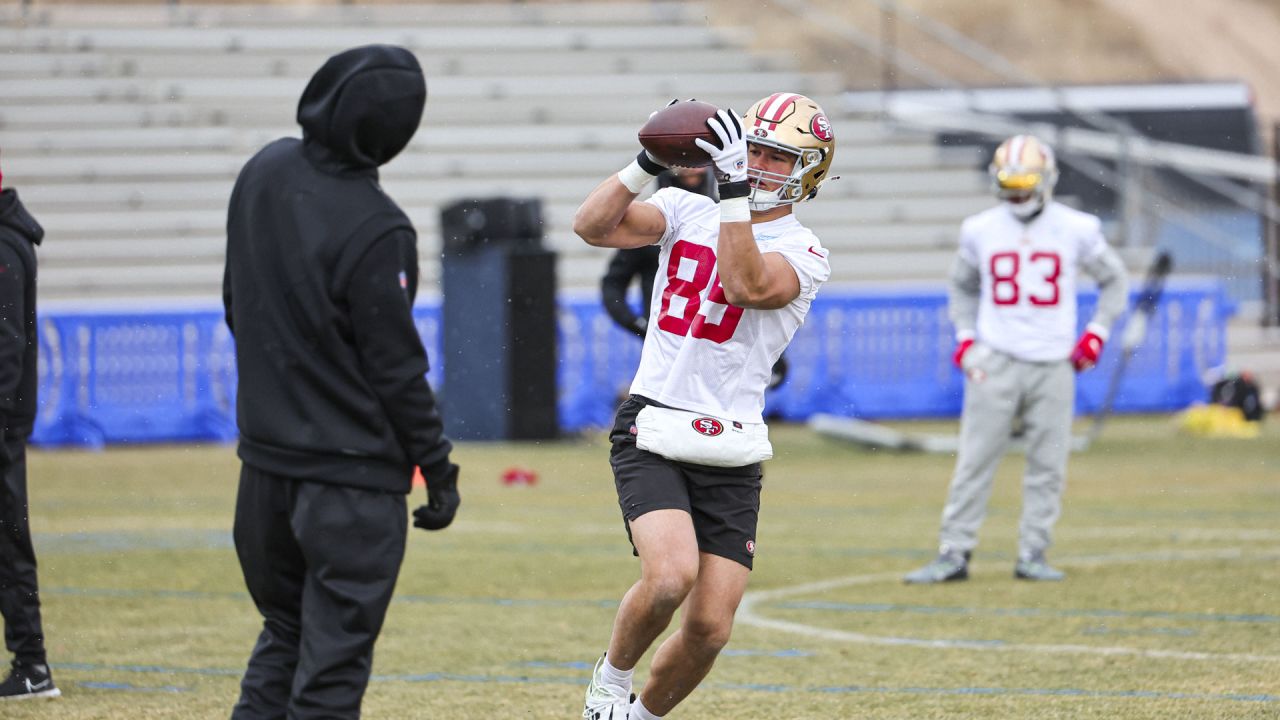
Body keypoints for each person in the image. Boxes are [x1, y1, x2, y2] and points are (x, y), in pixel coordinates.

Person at [574, 93, 835, 720]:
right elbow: (592, 226)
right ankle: (609, 685)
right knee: (669, 577)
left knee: (711, 628)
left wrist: (737, 194)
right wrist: (647, 162)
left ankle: (637, 718)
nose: (765, 164)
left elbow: (747, 284)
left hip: (734, 439)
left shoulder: (808, 252)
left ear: (810, 170)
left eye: (780, 156)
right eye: (759, 149)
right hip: (656, 419)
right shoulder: (682, 206)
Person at [222, 45, 459, 719]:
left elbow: (238, 303)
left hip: (263, 471)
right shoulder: (378, 226)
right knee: (330, 671)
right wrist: (438, 469)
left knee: (285, 635)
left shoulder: (263, 170)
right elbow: (396, 370)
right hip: (349, 484)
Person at [903, 134, 1129, 584]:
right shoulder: (980, 228)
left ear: (1046, 180)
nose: (1018, 192)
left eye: (1026, 183)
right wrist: (966, 339)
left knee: (1048, 465)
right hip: (997, 358)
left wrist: (1096, 336)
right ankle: (955, 551)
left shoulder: (1077, 227)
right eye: (1010, 183)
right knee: (974, 460)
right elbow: (962, 287)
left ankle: (1033, 553)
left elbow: (1115, 281)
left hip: (1053, 363)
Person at [601, 166, 788, 390]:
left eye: (696, 176)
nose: (691, 182)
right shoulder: (653, 225)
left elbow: (754, 285)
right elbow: (612, 283)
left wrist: (769, 348)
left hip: (720, 343)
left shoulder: (729, 223)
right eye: (684, 176)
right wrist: (637, 323)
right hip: (671, 341)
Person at [0, 156, 60, 702]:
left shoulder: (3, 251)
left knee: (8, 540)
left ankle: (33, 665)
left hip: (2, 424)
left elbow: (4, 356)